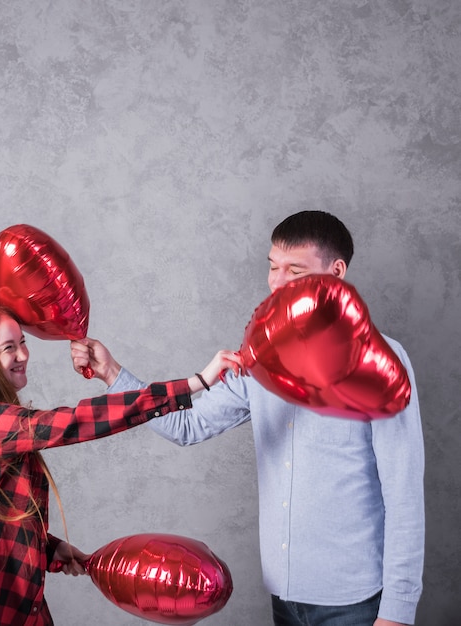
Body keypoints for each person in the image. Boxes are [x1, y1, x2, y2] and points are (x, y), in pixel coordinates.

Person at [70, 211, 425, 626]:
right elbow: (186, 426)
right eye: (273, 267)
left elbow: (404, 496)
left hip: (356, 603)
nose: (277, 282)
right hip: (283, 598)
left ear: (336, 273)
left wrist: (397, 612)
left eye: (295, 270)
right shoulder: (257, 364)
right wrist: (113, 373)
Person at [0, 304, 242, 626]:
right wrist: (195, 383)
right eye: (9, 348)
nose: (23, 355)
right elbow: (75, 422)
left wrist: (50, 547)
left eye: (23, 342)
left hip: (17, 603)